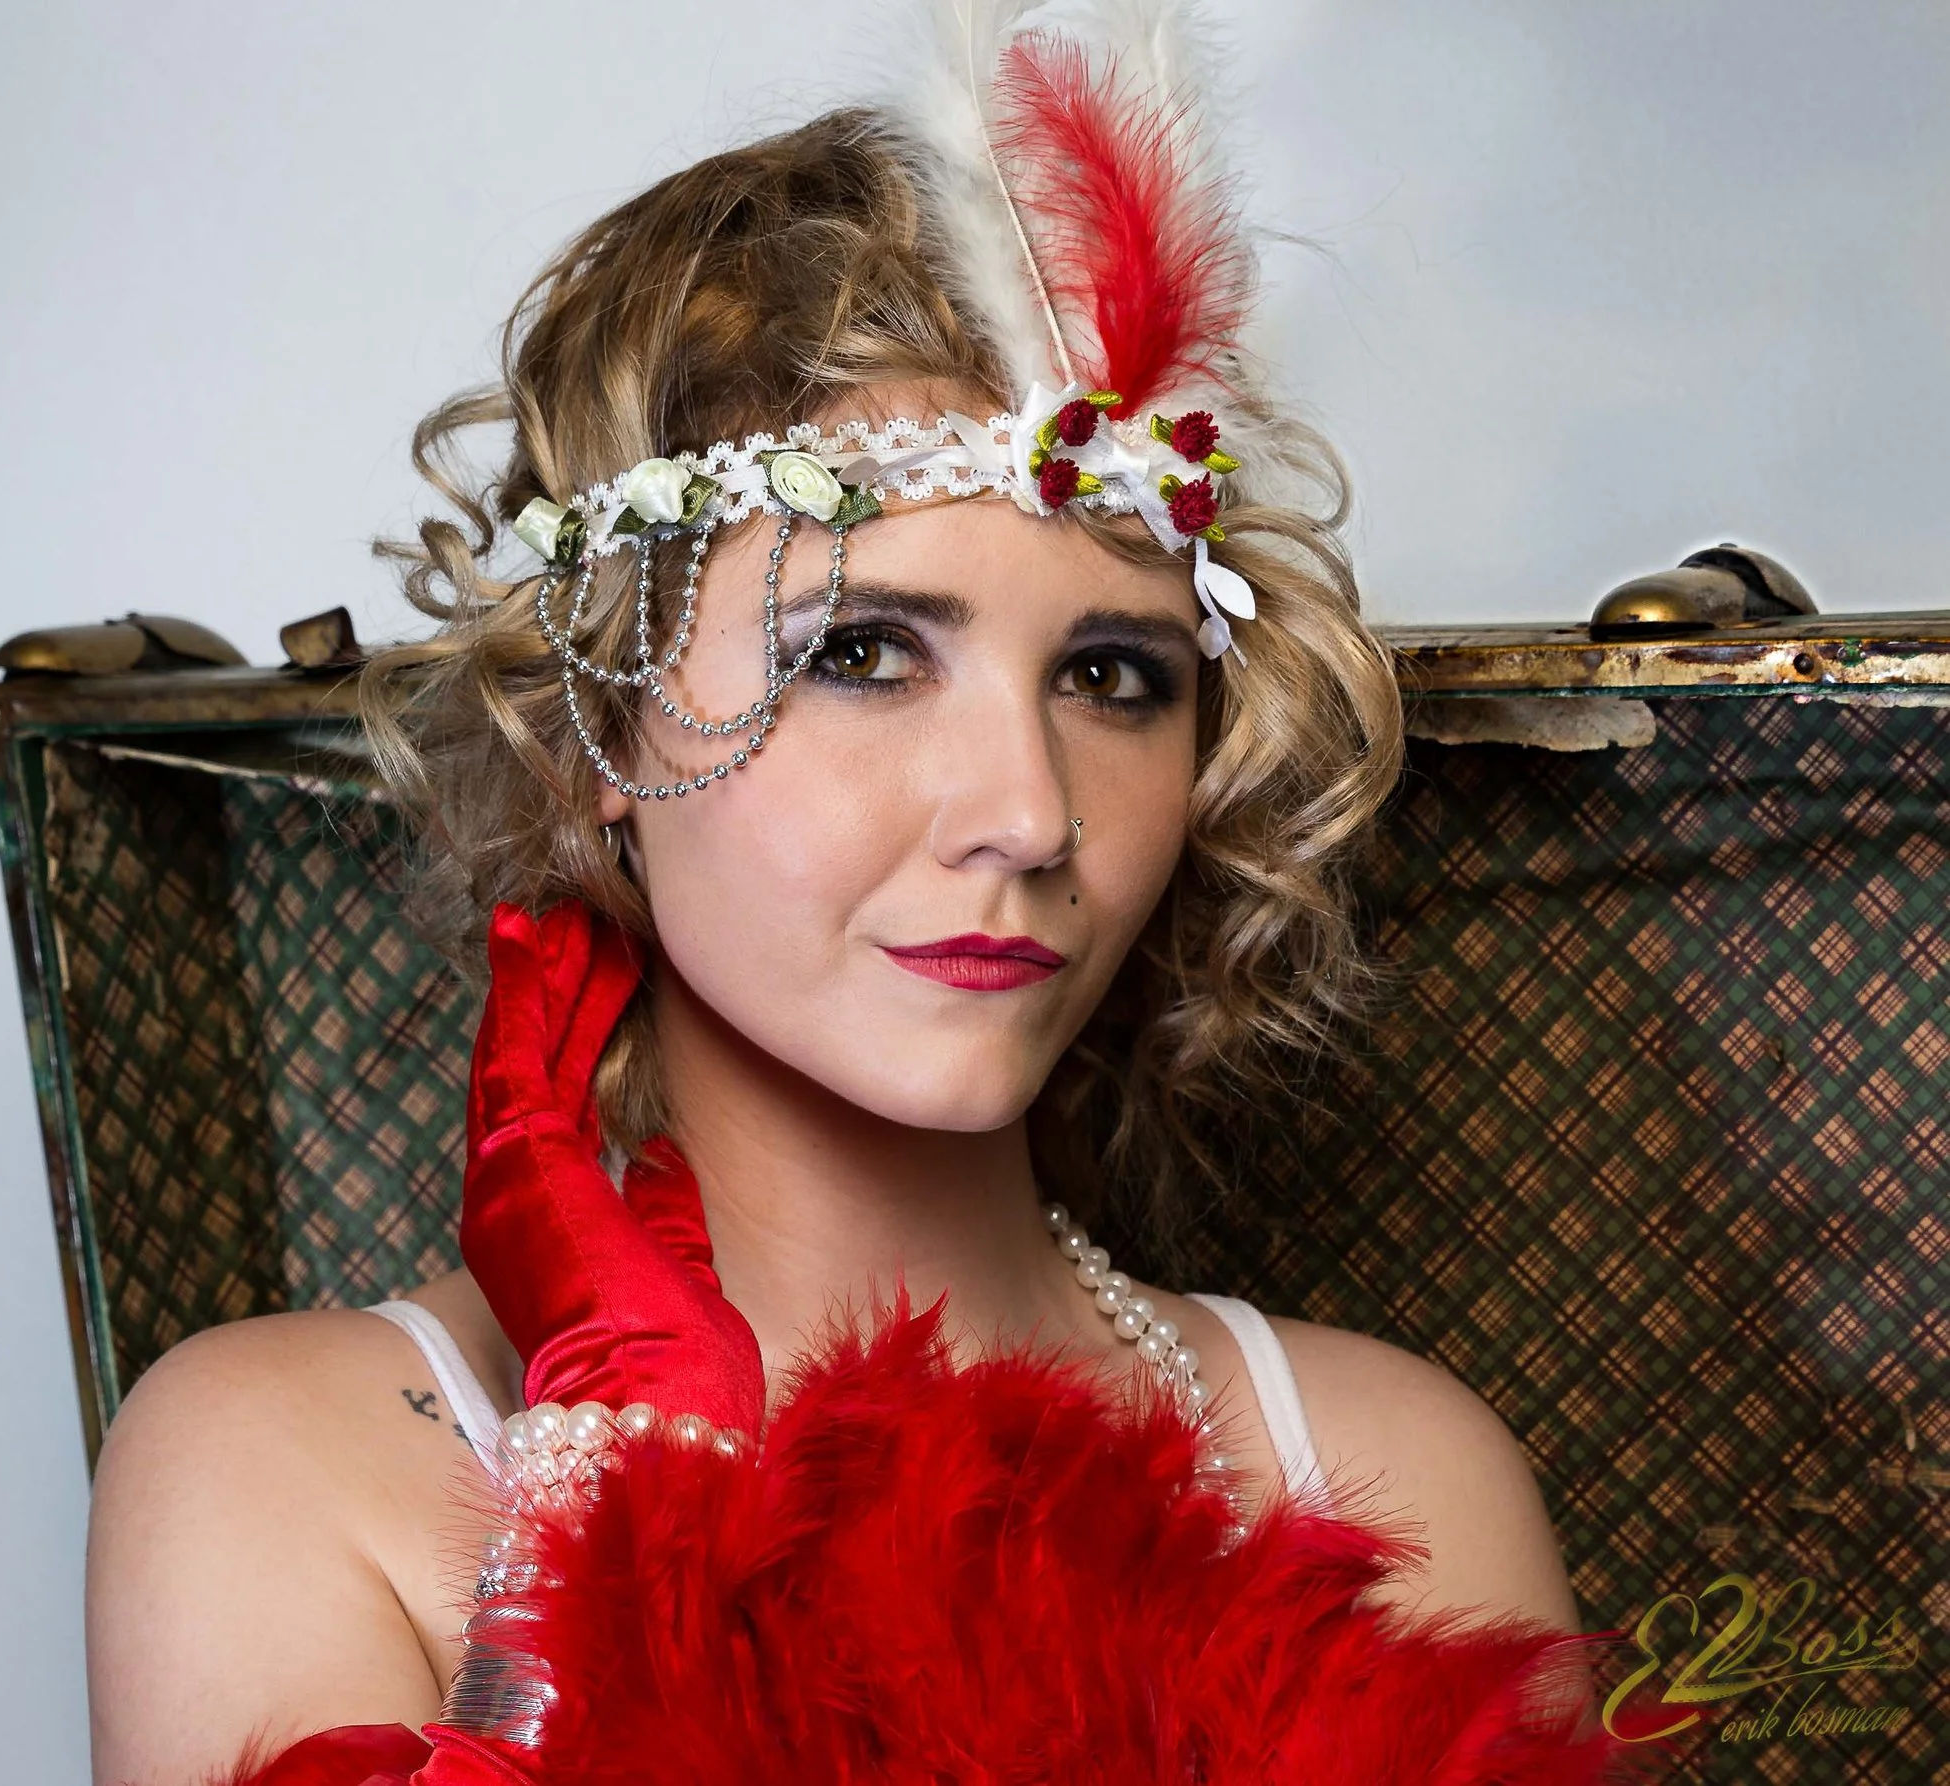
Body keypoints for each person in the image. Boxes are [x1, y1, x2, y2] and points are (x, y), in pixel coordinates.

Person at [84, 7, 1598, 1782]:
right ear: (596, 726)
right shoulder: (297, 1456)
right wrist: (617, 1514)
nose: (1030, 811)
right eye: (867, 651)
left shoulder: (1388, 1469)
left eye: (1115, 677)